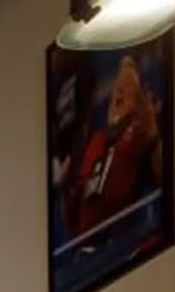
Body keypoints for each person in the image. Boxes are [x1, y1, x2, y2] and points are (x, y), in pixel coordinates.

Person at [62, 51, 166, 244]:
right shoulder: (94, 145)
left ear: (137, 104)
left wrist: (151, 135)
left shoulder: (142, 136)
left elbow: (166, 183)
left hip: (122, 244)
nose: (118, 93)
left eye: (125, 93)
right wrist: (64, 188)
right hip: (86, 256)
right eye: (116, 91)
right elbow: (71, 224)